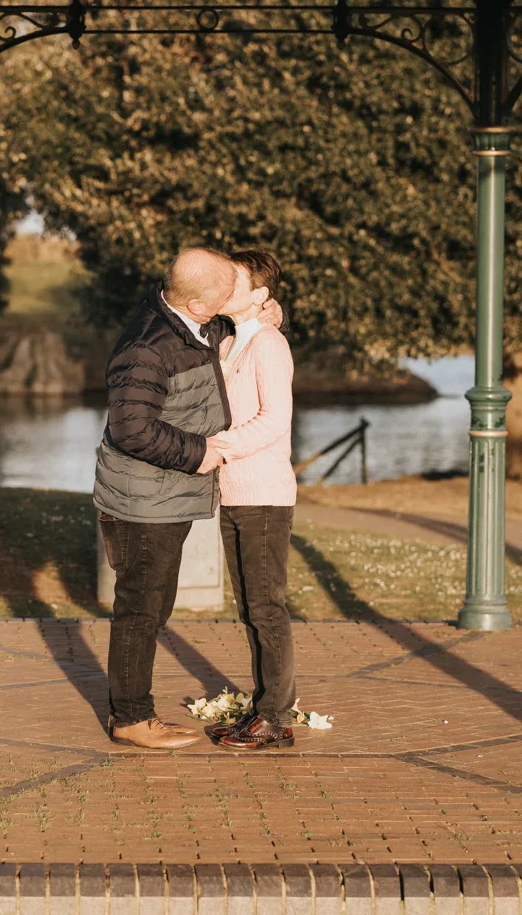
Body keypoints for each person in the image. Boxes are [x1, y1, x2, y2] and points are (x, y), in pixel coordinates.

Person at [93, 247, 283, 750]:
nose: (234, 296)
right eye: (228, 290)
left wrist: (266, 316)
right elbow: (130, 428)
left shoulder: (189, 323)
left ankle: (134, 712)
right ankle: (131, 719)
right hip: (142, 502)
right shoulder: (147, 348)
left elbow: (232, 336)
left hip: (164, 497)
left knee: (153, 605)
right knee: (141, 609)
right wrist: (200, 453)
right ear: (200, 302)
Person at [206, 250, 297, 751]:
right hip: (234, 494)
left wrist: (218, 448)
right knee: (251, 609)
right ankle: (264, 710)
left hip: (264, 495)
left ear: (260, 295)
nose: (223, 287)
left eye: (234, 281)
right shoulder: (230, 342)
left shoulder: (268, 344)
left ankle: (276, 718)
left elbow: (274, 420)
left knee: (267, 609)